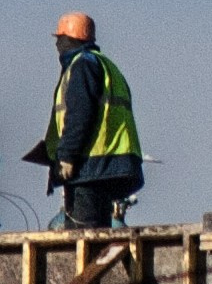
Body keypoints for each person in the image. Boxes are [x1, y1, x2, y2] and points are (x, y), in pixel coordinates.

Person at [38, 12, 143, 228]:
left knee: (82, 235)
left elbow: (80, 114)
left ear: (69, 39)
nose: (57, 46)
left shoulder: (83, 65)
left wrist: (67, 156)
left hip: (91, 168)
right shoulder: (106, 65)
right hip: (111, 166)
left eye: (59, 39)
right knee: (98, 233)